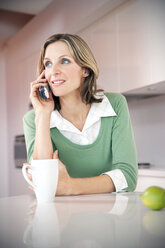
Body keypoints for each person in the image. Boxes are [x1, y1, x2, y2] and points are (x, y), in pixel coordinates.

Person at [23, 33, 138, 196]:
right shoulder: (34, 118)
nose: (53, 71)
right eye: (48, 64)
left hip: (108, 215)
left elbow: (128, 177)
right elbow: (43, 183)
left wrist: (70, 186)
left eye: (64, 61)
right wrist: (43, 115)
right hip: (58, 216)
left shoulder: (114, 104)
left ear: (85, 69)